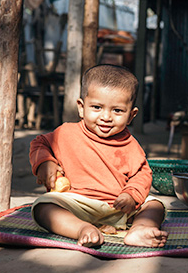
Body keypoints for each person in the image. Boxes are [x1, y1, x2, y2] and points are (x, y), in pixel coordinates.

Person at [29, 64, 168, 247]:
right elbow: (39, 143)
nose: (106, 117)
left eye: (117, 110)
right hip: (76, 203)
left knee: (155, 205)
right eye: (97, 107)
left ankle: (139, 229)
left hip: (118, 208)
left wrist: (131, 195)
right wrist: (45, 162)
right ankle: (81, 229)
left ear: (131, 115)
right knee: (43, 207)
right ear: (81, 107)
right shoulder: (66, 133)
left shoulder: (131, 145)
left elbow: (142, 174)